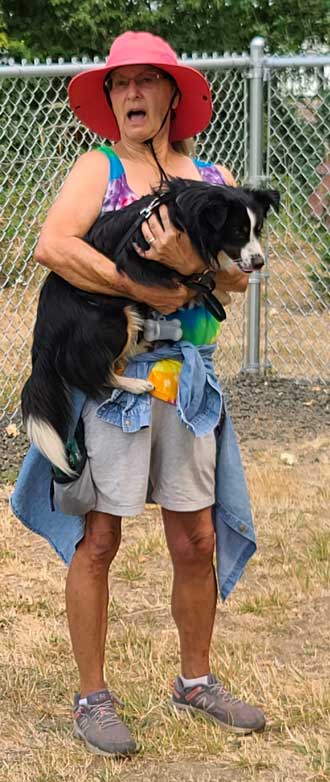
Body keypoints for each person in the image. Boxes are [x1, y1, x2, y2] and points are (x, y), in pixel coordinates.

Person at [12, 31, 266, 756]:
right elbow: (54, 245)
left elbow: (239, 277)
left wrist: (190, 264)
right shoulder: (99, 168)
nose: (131, 95)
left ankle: (194, 682)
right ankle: (92, 697)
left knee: (197, 538)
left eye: (146, 82)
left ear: (172, 96)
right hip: (118, 373)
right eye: (120, 84)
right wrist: (137, 285)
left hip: (185, 379)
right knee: (99, 539)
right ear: (110, 99)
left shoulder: (209, 175)